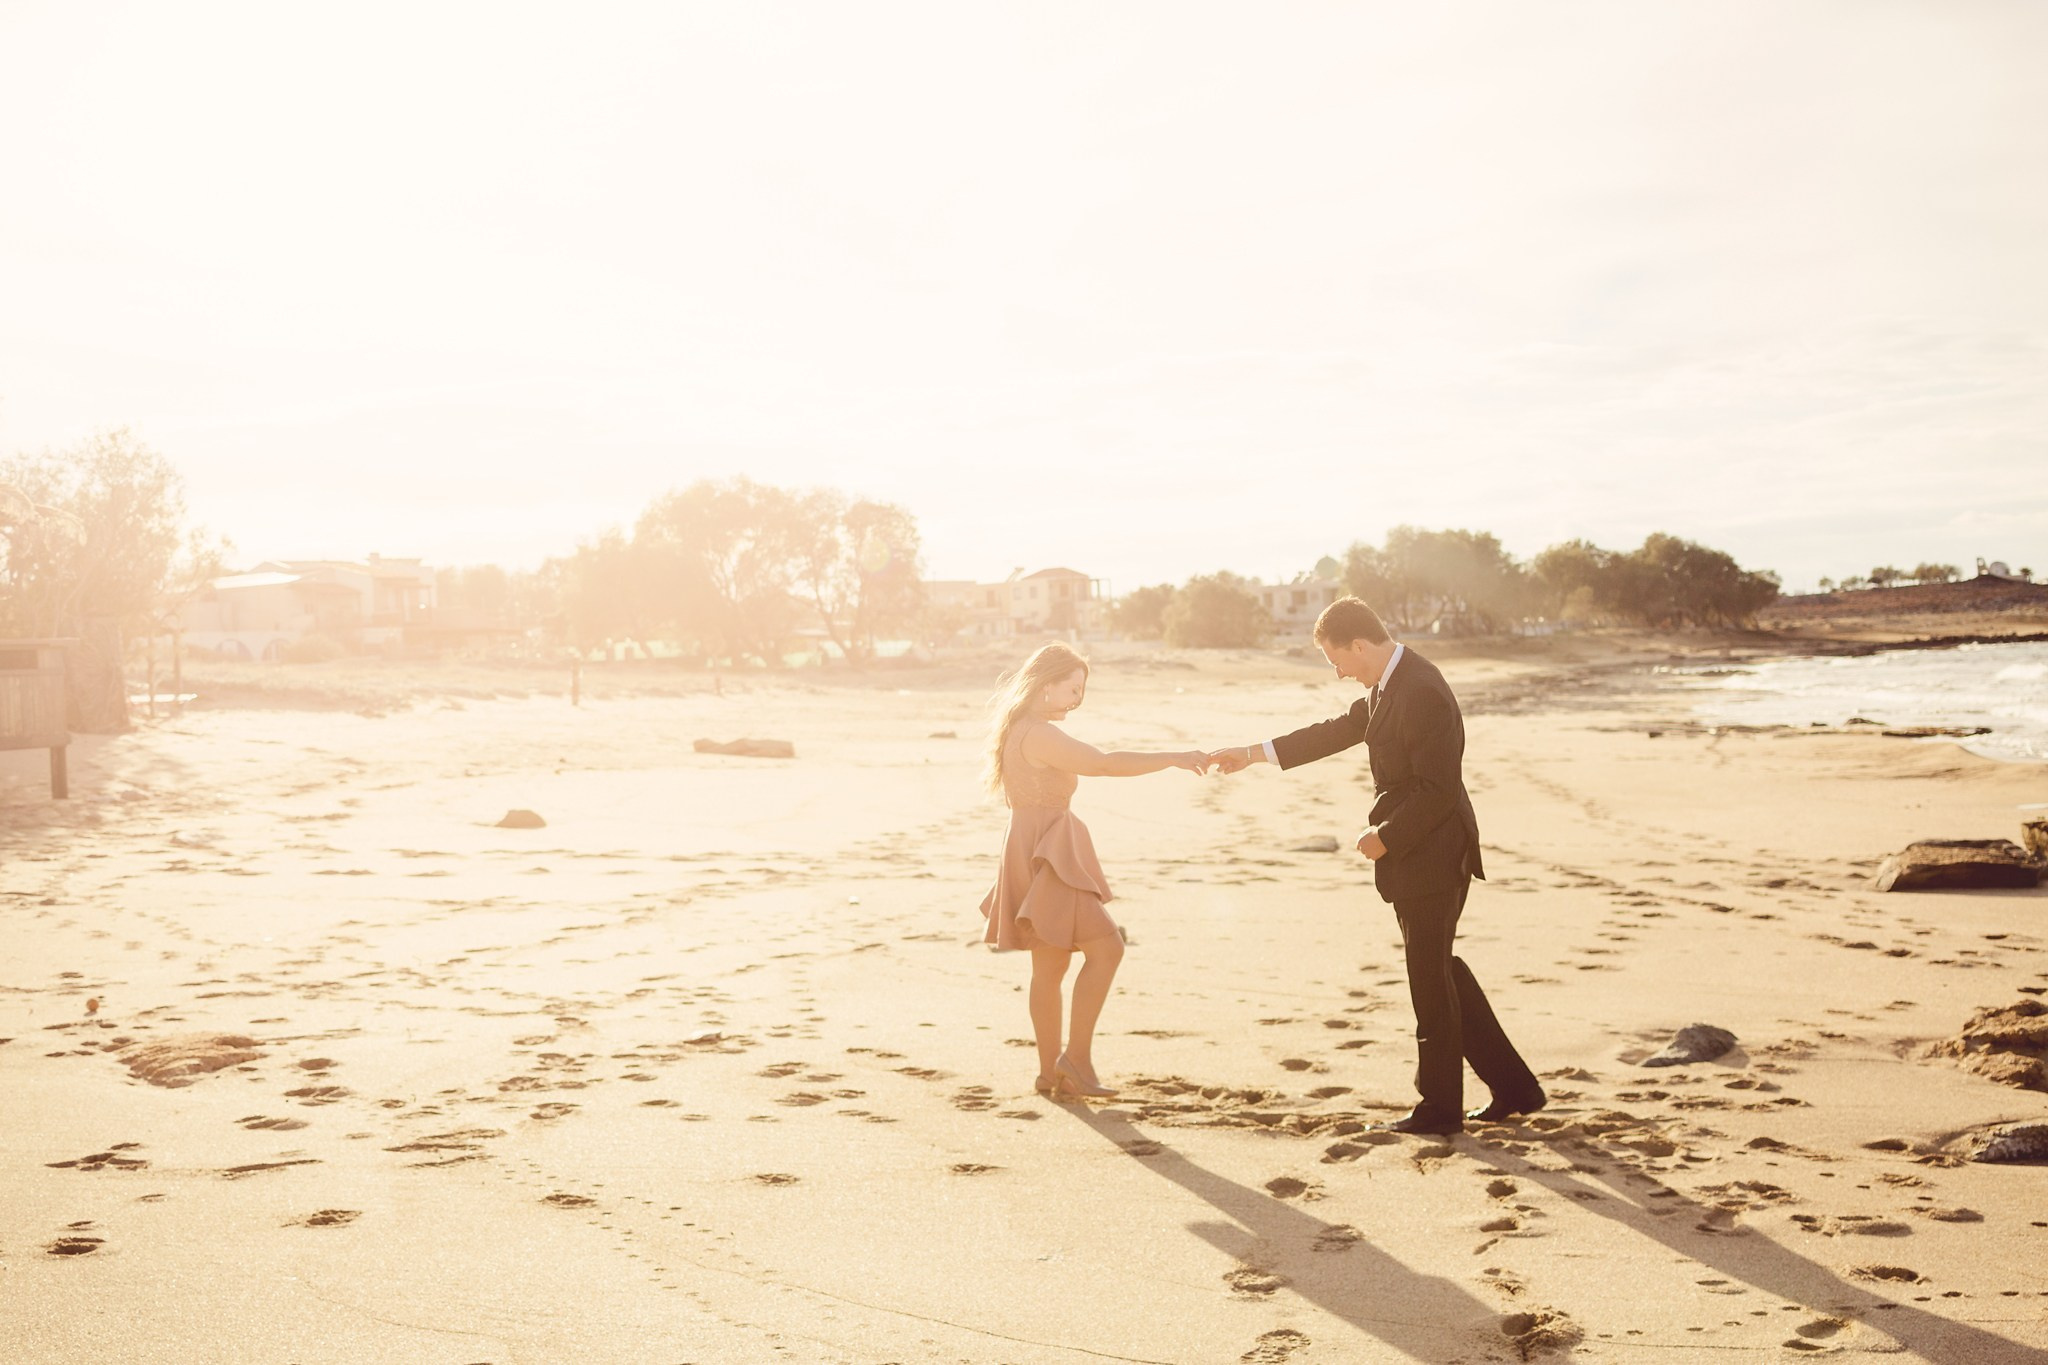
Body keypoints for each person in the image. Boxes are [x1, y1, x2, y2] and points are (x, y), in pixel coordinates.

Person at [1210, 597, 1543, 1135]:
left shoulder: (1421, 690)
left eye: (1336, 660)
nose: (1338, 672)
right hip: (1422, 851)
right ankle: (1515, 1087)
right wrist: (1252, 753)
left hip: (1433, 851)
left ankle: (1440, 1110)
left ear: (1359, 645)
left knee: (1430, 979)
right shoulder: (1390, 685)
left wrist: (1386, 836)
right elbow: (1336, 730)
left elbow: (1439, 788)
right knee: (1440, 969)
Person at [980, 643, 1209, 1100]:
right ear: (1046, 686)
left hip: (1030, 844)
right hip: (1049, 851)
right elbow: (1103, 763)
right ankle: (1076, 1061)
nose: (1077, 700)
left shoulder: (1018, 729)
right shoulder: (1039, 733)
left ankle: (1051, 1074)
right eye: (1072, 689)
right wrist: (1174, 757)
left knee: (1050, 965)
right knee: (1106, 950)